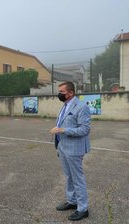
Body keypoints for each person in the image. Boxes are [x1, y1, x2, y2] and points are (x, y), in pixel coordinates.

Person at [50, 82, 91, 221]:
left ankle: (83, 209)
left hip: (74, 149)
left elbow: (85, 129)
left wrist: (63, 130)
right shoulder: (65, 105)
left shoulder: (81, 106)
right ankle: (72, 201)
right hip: (63, 147)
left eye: (62, 91)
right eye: (59, 91)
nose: (59, 93)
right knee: (69, 177)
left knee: (77, 179)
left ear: (71, 93)